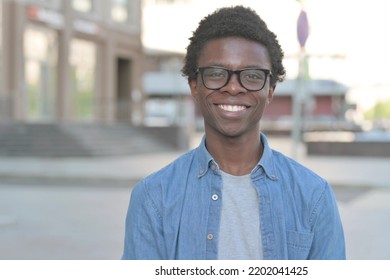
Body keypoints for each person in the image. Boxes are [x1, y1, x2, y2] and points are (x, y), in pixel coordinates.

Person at [122, 5, 345, 260]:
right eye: (217, 74)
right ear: (194, 86)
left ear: (270, 89)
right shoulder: (153, 198)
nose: (233, 87)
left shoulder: (314, 195)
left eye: (251, 75)